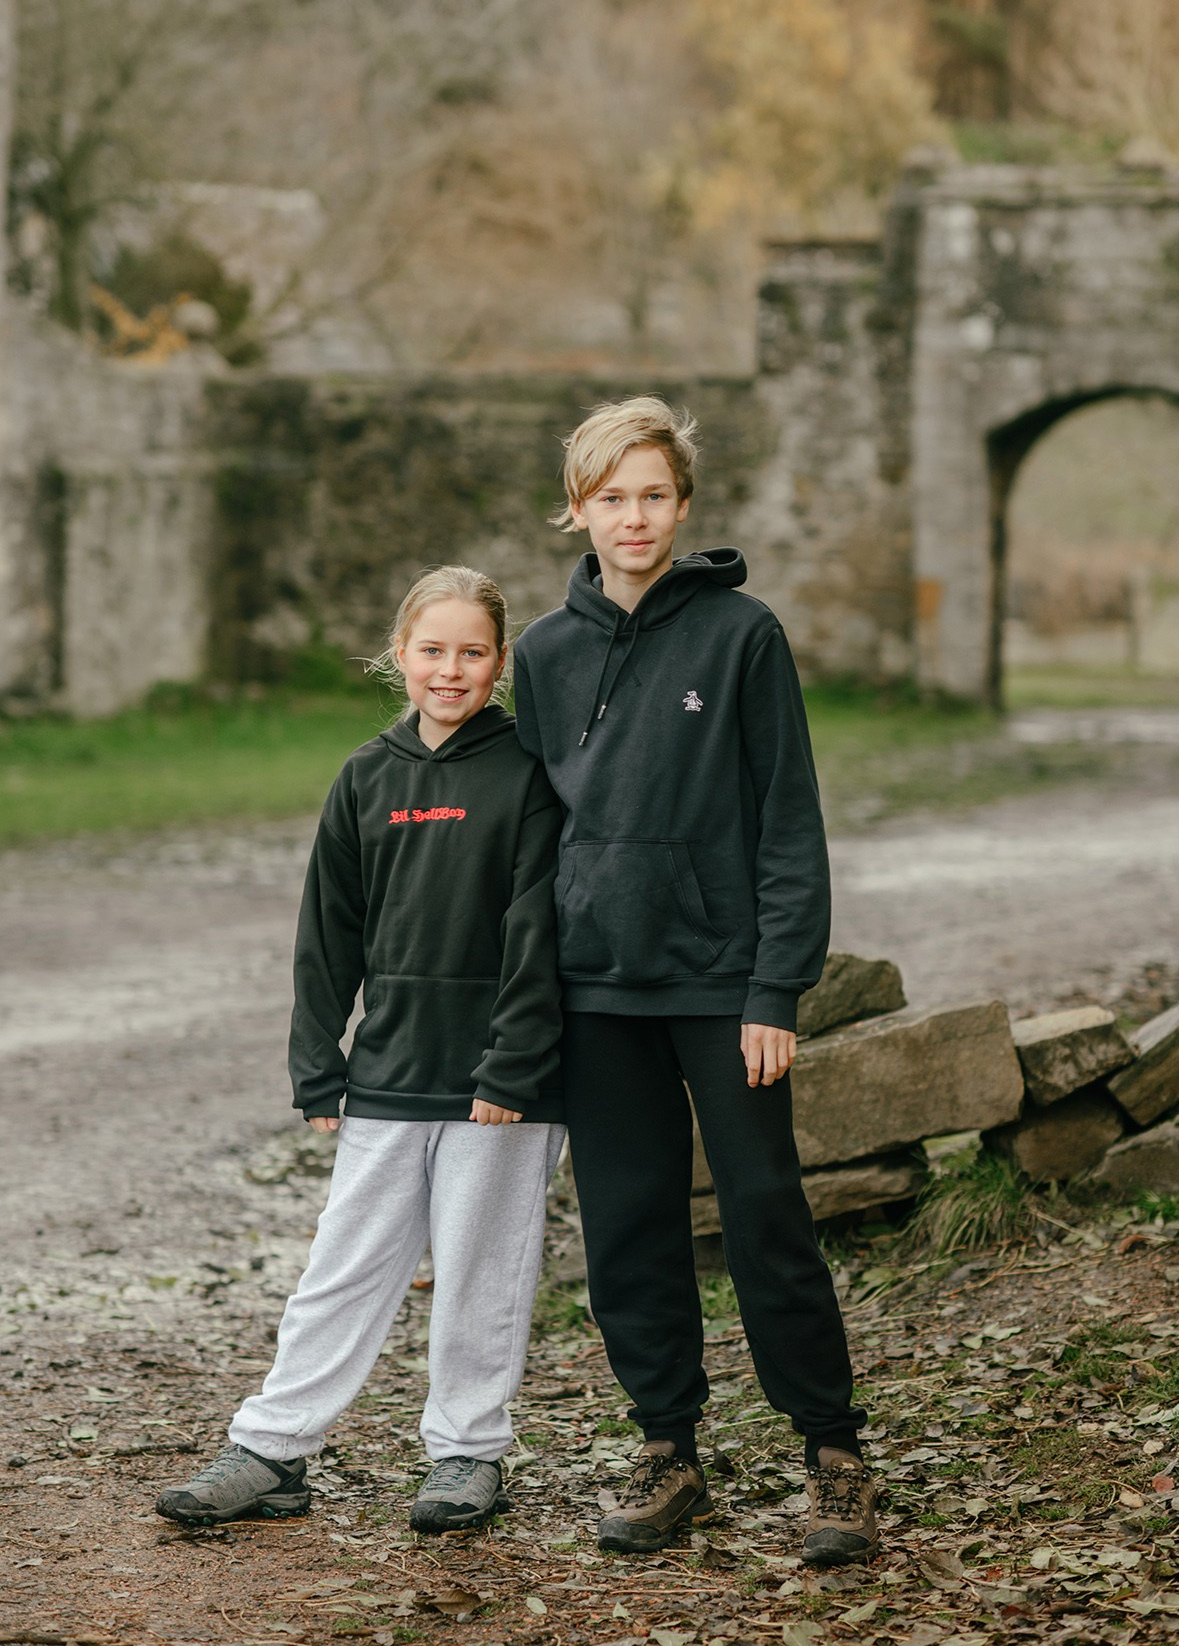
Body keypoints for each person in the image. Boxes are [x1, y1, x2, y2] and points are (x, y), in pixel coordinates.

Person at [511, 397, 877, 1563]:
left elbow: (787, 823)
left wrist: (777, 989)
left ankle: (832, 1456)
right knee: (626, 1225)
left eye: (653, 495)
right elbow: (531, 842)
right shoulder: (545, 653)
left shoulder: (741, 635)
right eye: (610, 497)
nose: (634, 517)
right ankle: (668, 1452)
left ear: (683, 504)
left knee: (765, 1211)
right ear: (576, 507)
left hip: (721, 988)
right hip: (595, 993)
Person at [157, 566, 565, 1535]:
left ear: (500, 663)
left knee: (481, 1268)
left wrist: (513, 1065)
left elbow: (538, 934)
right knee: (342, 1265)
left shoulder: (527, 777)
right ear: (399, 656)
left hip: (500, 1088)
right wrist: (318, 1063)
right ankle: (273, 1450)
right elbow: (328, 935)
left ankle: (467, 1454)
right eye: (432, 650)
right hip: (388, 1070)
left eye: (472, 652)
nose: (451, 670)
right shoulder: (366, 777)